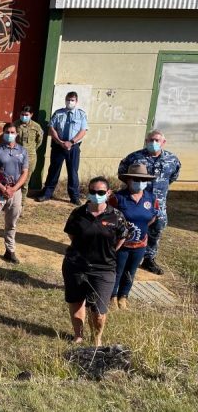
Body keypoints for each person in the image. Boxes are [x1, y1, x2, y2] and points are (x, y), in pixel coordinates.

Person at [62, 177, 127, 346]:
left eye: (100, 192)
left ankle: (97, 338)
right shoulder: (78, 213)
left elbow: (120, 239)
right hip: (76, 266)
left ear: (108, 193)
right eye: (92, 192)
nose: (96, 195)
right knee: (76, 303)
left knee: (98, 311)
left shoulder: (117, 216)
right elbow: (72, 235)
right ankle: (78, 335)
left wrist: (105, 252)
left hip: (104, 269)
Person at [117, 129, 181, 275]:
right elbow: (122, 173)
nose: (153, 143)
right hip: (135, 201)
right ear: (146, 141)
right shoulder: (134, 157)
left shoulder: (172, 159)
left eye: (157, 140)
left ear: (163, 142)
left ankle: (149, 259)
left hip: (158, 203)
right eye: (150, 140)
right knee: (128, 227)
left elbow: (173, 177)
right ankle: (123, 253)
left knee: (156, 230)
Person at [108, 164, 158, 310]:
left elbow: (152, 218)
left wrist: (139, 228)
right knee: (117, 270)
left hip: (140, 244)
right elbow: (109, 217)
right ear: (129, 180)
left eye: (143, 179)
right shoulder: (118, 198)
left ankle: (124, 296)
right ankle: (112, 296)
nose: (140, 182)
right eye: (136, 179)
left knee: (131, 271)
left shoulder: (151, 198)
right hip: (121, 244)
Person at [0, 123, 29, 264]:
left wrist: (14, 188)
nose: (10, 134)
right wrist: (2, 188)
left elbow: (25, 172)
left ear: (16, 134)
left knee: (12, 223)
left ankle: (9, 251)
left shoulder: (23, 151)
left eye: (12, 132)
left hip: (15, 192)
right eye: (7, 132)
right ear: (3, 133)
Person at [37, 92, 88, 204]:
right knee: (54, 170)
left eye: (72, 100)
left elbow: (83, 131)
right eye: (68, 99)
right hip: (58, 146)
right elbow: (51, 128)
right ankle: (47, 194)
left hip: (73, 147)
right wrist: (60, 142)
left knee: (73, 172)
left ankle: (74, 197)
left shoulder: (81, 115)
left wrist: (71, 142)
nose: (70, 102)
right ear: (65, 100)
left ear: (76, 101)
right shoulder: (58, 113)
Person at [13, 105, 44, 201]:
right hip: (16, 155)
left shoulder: (36, 126)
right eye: (22, 114)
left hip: (30, 157)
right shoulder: (15, 125)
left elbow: (39, 141)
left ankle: (22, 203)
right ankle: (13, 201)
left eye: (26, 114)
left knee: (25, 181)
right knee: (14, 179)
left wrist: (31, 150)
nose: (23, 116)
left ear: (31, 114)